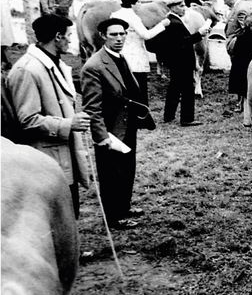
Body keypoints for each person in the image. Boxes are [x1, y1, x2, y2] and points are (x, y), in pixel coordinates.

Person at [7, 14, 90, 218]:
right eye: (68, 36)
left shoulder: (54, 63)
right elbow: (28, 119)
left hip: (62, 155)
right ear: (58, 36)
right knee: (55, 216)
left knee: (69, 212)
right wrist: (68, 124)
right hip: (46, 158)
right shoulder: (27, 70)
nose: (70, 41)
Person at [81, 18, 151, 229]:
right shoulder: (94, 66)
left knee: (127, 167)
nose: (119, 38)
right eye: (114, 35)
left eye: (122, 34)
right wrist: (102, 137)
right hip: (110, 129)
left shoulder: (121, 58)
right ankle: (114, 217)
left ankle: (124, 207)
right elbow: (92, 107)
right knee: (111, 172)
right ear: (103, 36)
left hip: (126, 123)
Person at [155, 0, 210, 126]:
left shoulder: (171, 21)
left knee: (174, 88)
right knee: (187, 90)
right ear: (172, 7)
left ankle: (169, 115)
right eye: (180, 6)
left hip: (176, 61)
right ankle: (187, 118)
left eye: (183, 5)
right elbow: (183, 42)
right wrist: (199, 34)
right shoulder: (175, 23)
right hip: (182, 61)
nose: (184, 8)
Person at [111, 0, 170, 105]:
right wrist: (162, 25)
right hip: (135, 57)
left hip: (119, 55)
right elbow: (146, 35)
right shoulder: (133, 17)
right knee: (139, 91)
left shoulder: (115, 15)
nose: (140, 5)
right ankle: (141, 118)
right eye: (139, 2)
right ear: (132, 3)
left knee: (125, 90)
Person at [229, 11, 252, 114]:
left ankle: (241, 105)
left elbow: (235, 52)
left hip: (242, 67)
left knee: (242, 89)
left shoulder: (240, 37)